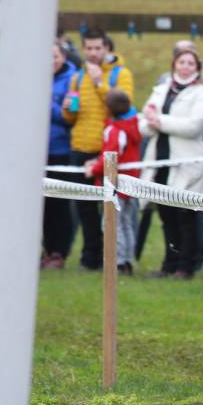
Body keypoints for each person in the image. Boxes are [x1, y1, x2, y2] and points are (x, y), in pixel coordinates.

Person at [138, 47, 203, 279]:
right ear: (174, 64)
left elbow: (194, 127)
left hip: (186, 162)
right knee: (166, 216)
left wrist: (159, 121)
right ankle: (169, 264)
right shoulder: (161, 90)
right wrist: (153, 122)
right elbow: (143, 124)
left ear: (197, 68)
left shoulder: (202, 93)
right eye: (181, 62)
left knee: (186, 216)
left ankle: (186, 266)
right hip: (160, 161)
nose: (185, 67)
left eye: (190, 63)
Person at [61, 28, 133, 271]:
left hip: (106, 151)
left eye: (97, 48)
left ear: (107, 48)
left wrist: (100, 83)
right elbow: (71, 115)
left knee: (110, 209)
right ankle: (90, 257)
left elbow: (124, 106)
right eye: (88, 48)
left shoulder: (120, 75)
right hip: (79, 146)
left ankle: (114, 257)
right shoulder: (77, 76)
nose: (92, 53)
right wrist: (68, 108)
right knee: (84, 207)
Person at [83, 89, 142, 276]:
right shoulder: (131, 126)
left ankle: (118, 262)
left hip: (116, 185)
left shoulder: (115, 130)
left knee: (111, 224)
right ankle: (126, 260)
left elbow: (111, 157)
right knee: (125, 223)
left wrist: (93, 169)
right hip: (129, 184)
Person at [44, 41, 78, 269]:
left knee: (60, 203)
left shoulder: (73, 81)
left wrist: (47, 104)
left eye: (55, 56)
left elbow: (69, 116)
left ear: (63, 57)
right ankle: (46, 250)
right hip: (38, 152)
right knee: (43, 205)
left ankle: (59, 252)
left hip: (62, 150)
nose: (52, 60)